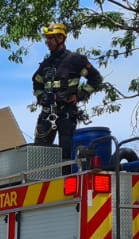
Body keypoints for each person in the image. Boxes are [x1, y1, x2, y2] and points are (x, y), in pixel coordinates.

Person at [31, 23, 103, 161]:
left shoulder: (75, 60)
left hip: (66, 114)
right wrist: (41, 97)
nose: (47, 42)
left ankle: (65, 179)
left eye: (51, 38)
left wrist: (80, 95)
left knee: (66, 153)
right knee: (38, 152)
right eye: (47, 39)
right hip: (47, 114)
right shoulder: (46, 64)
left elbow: (95, 78)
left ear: (61, 38)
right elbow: (36, 82)